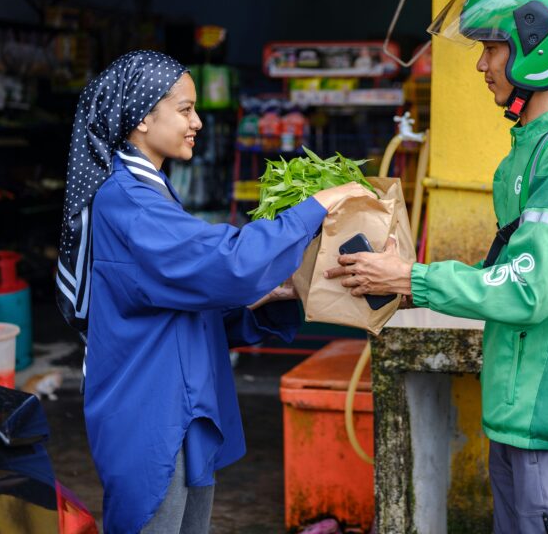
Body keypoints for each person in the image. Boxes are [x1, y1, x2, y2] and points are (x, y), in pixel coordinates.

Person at [325, 0, 548, 533]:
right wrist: (401, 282)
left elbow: (528, 290)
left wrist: (412, 278)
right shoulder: (531, 153)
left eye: (492, 47)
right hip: (523, 414)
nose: (482, 64)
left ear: (536, 46)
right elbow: (508, 270)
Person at [55, 51, 362, 534]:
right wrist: (315, 207)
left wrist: (273, 292)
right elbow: (223, 261)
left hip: (177, 402)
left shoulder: (148, 190)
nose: (197, 122)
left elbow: (182, 294)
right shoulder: (127, 199)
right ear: (140, 117)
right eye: (184, 109)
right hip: (151, 410)